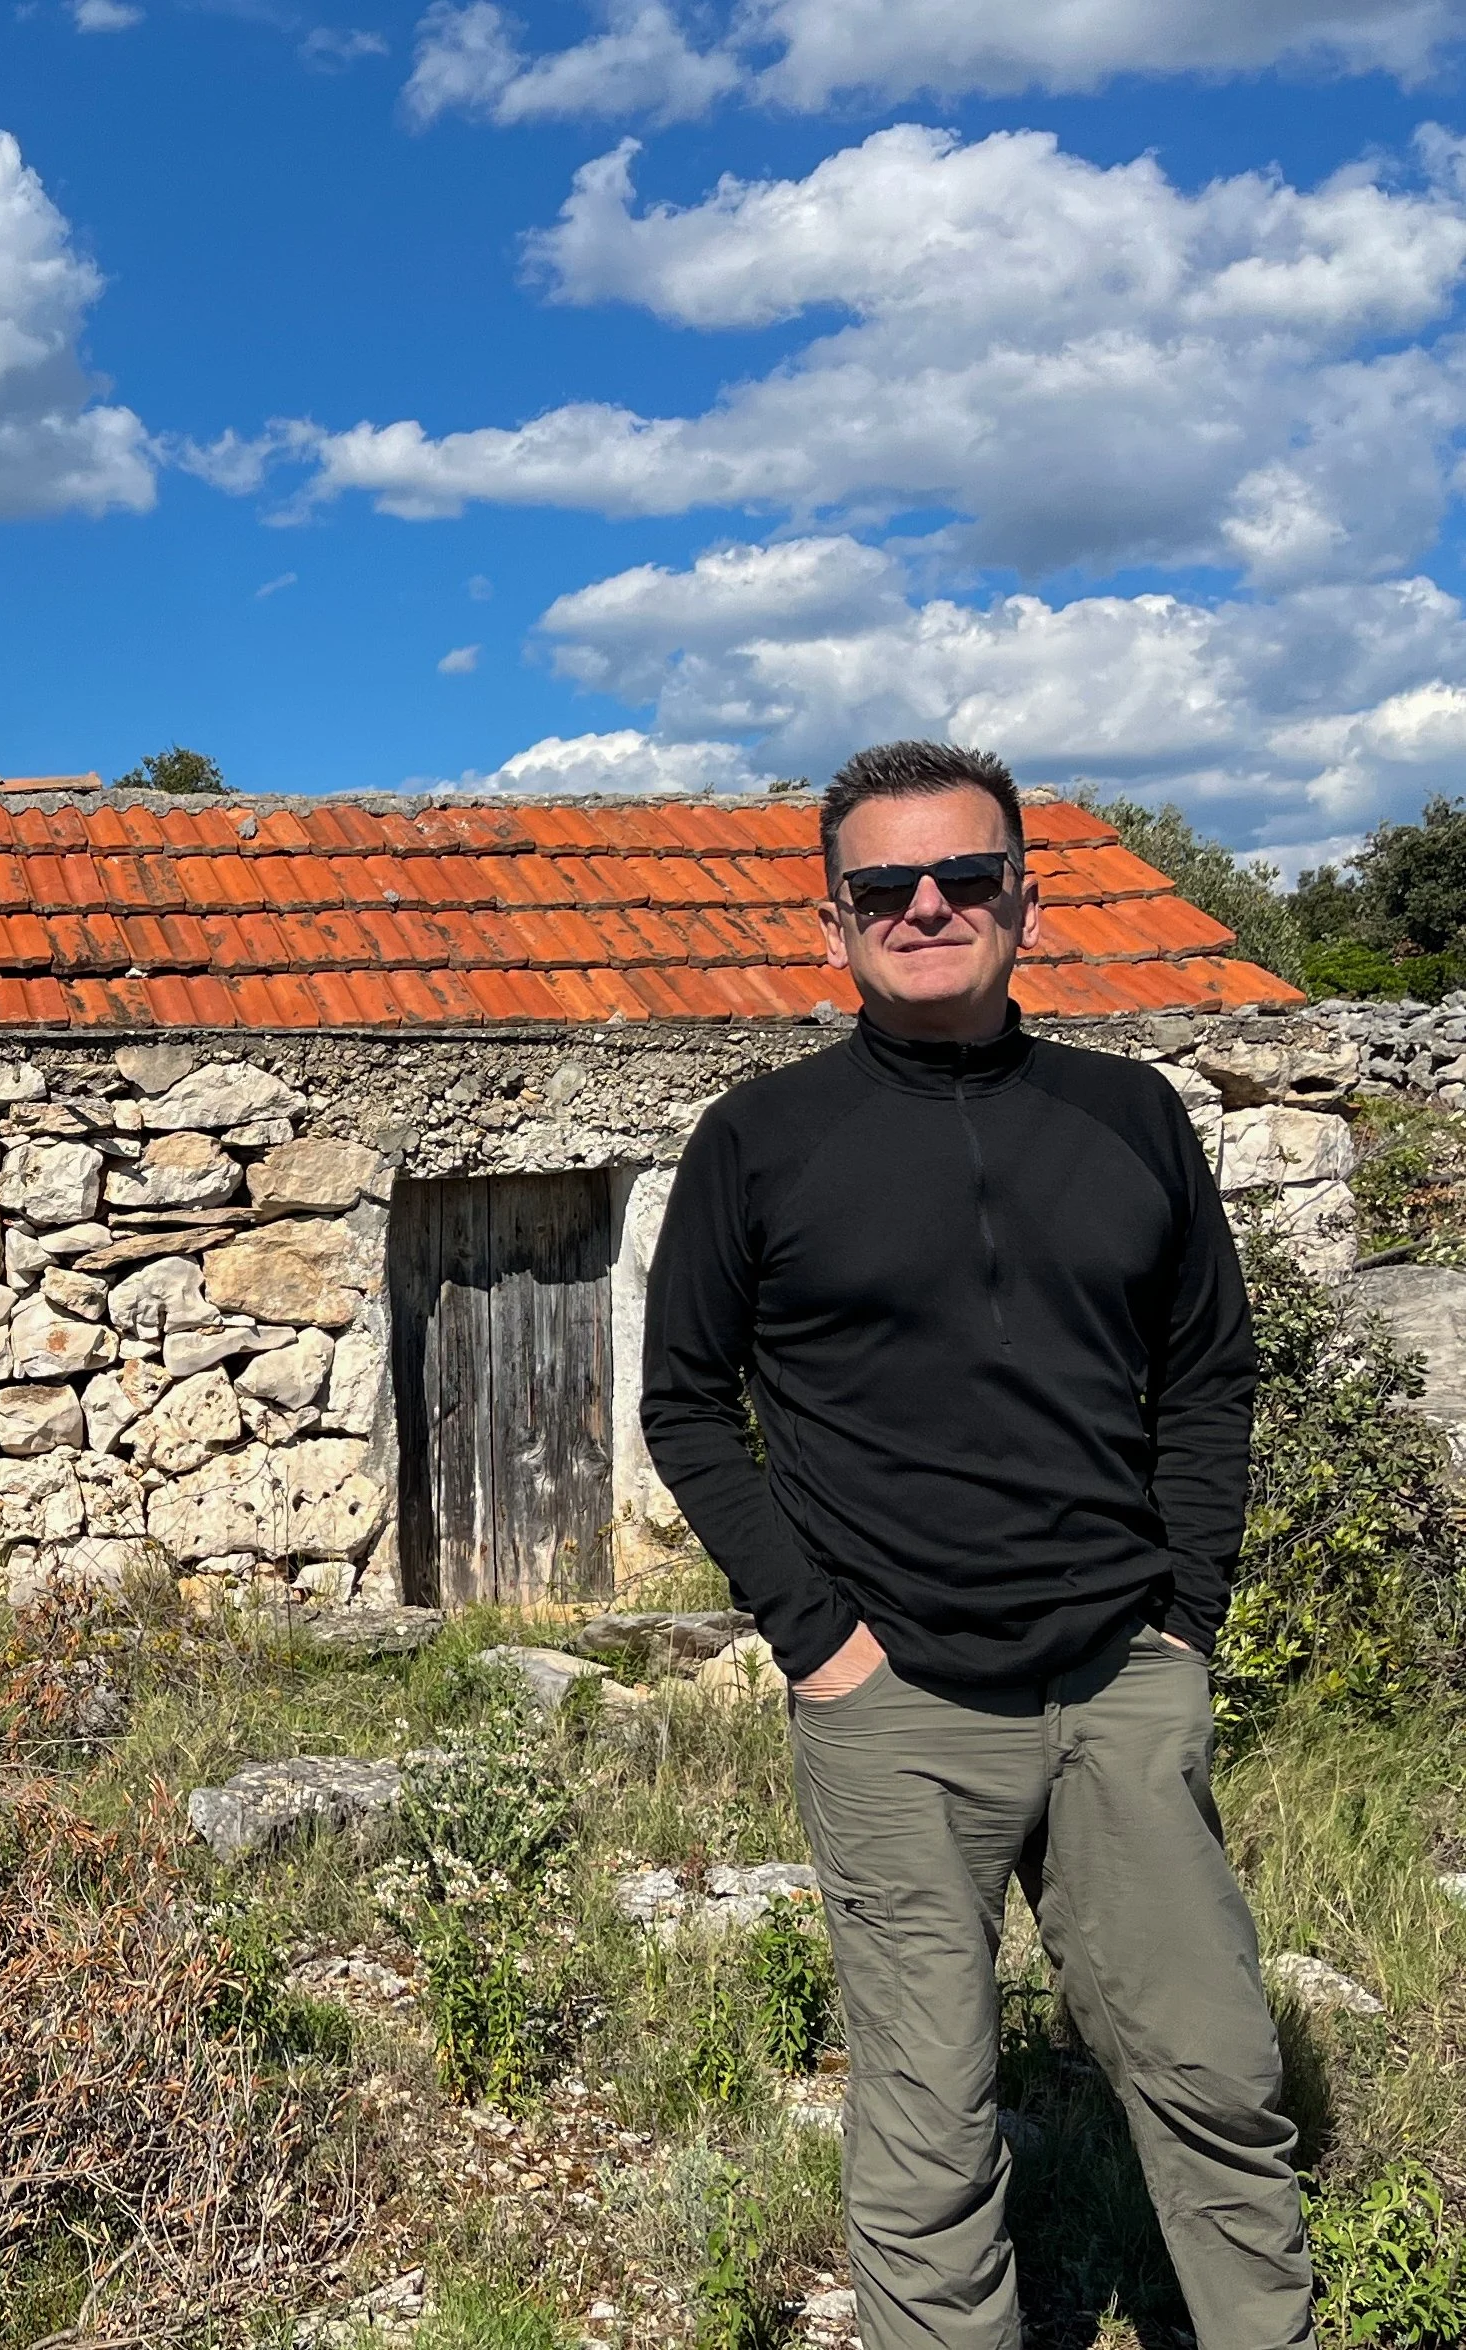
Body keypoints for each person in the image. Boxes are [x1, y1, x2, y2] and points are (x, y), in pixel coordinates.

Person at [640, 741, 1313, 2350]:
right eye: (884, 884)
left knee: (1217, 2073)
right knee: (930, 2129)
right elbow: (683, 1402)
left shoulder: (1130, 1116)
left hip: (1120, 1682)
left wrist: (1187, 1622)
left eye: (964, 876)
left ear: (1026, 898)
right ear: (835, 922)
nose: (926, 906)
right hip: (896, 1708)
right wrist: (820, 1642)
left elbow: (1208, 1371)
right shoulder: (761, 1139)